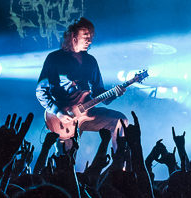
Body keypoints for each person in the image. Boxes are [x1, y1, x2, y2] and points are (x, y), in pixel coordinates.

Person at [35, 17, 128, 148]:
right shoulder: (54, 58)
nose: (89, 40)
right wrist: (57, 112)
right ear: (73, 36)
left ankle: (118, 165)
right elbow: (41, 91)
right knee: (66, 158)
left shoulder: (91, 61)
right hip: (64, 118)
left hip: (88, 113)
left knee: (121, 121)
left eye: (91, 36)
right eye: (85, 36)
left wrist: (115, 93)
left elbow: (99, 92)